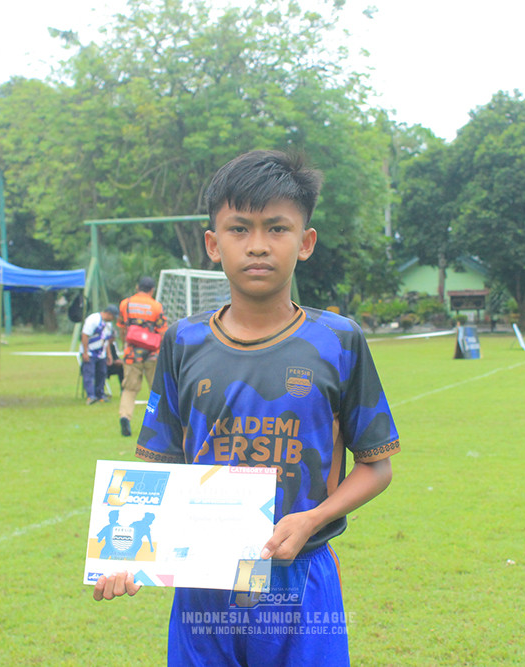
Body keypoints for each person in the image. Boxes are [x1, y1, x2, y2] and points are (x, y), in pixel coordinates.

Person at [93, 150, 400, 666]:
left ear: (305, 242)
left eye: (276, 228)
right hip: (204, 581)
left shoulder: (338, 340)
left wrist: (312, 519)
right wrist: (124, 556)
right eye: (240, 229)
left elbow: (377, 466)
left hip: (301, 580)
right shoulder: (182, 341)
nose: (258, 246)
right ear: (213, 244)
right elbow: (158, 465)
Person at [116, 276, 167, 436]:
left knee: (129, 389)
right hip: (152, 355)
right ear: (152, 290)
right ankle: (156, 422)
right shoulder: (156, 306)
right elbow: (163, 331)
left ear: (138, 287)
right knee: (156, 390)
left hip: (132, 354)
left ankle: (125, 416)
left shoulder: (126, 304)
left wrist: (125, 343)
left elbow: (122, 328)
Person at [80, 304, 118, 405]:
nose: (113, 319)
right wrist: (85, 352)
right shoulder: (93, 319)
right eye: (113, 317)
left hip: (101, 353)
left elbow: (106, 339)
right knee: (89, 374)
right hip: (90, 351)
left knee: (102, 373)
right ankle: (90, 396)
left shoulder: (108, 324)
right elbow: (84, 335)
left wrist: (109, 354)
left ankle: (100, 394)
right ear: (108, 314)